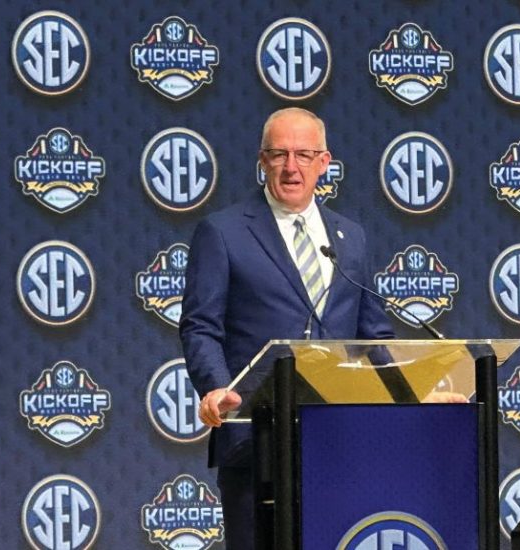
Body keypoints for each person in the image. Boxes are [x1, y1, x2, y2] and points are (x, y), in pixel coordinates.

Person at [179, 107, 396, 549]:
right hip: (255, 439)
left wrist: (417, 393)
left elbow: (372, 336)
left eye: (303, 154)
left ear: (325, 162)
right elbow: (201, 326)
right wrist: (219, 390)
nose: (291, 166)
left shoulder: (350, 237)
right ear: (262, 161)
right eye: (278, 154)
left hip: (338, 441)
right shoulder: (222, 232)